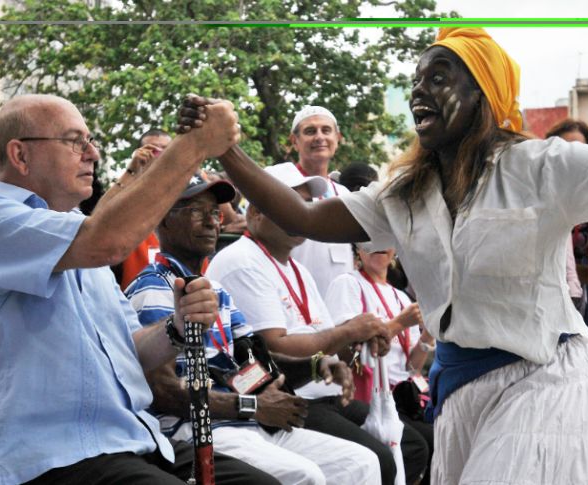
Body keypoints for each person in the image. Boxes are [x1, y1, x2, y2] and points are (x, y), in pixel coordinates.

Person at [178, 26, 588, 485]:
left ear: (482, 93)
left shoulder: (541, 165)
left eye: (438, 77)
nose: (418, 91)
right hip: (462, 389)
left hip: (544, 380)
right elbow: (300, 217)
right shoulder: (405, 194)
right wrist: (225, 149)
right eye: (416, 80)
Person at [0, 94, 282, 485]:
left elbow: (133, 349)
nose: (93, 154)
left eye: (91, 140)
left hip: (137, 440)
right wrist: (193, 146)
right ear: (20, 155)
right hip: (54, 457)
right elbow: (109, 240)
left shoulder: (76, 233)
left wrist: (177, 325)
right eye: (75, 141)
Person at [125, 175, 382, 485]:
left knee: (360, 463)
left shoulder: (217, 290)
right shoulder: (152, 286)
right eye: (196, 210)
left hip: (245, 425)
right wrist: (252, 406)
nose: (211, 222)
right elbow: (164, 393)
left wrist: (315, 365)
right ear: (163, 219)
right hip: (194, 431)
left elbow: (251, 367)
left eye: (215, 213)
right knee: (305, 475)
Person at [207, 163, 430, 485]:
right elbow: (274, 347)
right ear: (255, 212)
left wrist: (362, 339)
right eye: (289, 205)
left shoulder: (296, 268)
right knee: (381, 458)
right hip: (288, 399)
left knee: (411, 445)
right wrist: (349, 332)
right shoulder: (242, 261)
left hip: (320, 394)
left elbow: (327, 340)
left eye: (305, 205)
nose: (299, 213)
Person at [325, 246, 436, 484]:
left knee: (438, 441)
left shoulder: (401, 297)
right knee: (416, 447)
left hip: (401, 398)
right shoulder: (348, 284)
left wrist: (427, 335)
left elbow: (411, 368)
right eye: (368, 240)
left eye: (383, 240)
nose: (377, 246)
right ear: (357, 249)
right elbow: (347, 348)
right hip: (368, 396)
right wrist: (399, 322)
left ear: (394, 249)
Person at [287, 106, 355, 296]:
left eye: (326, 130)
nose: (319, 137)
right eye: (310, 131)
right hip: (296, 298)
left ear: (337, 139)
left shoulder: (344, 194)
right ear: (295, 141)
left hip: (340, 304)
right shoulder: (283, 185)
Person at [546, 118, 588, 320]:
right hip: (553, 289)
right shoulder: (544, 193)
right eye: (567, 150)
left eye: (581, 150)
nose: (575, 156)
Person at [114, 128, 173, 289]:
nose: (159, 154)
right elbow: (103, 215)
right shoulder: (126, 192)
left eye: (166, 150)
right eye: (152, 150)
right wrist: (133, 169)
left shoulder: (188, 188)